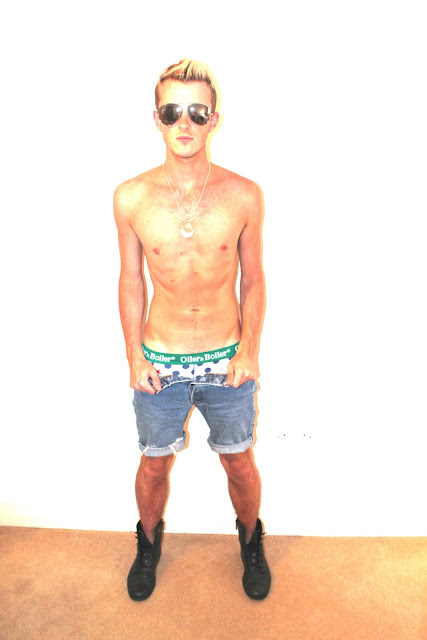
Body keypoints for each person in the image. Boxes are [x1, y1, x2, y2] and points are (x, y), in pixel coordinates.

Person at [113, 58, 270, 601]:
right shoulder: (131, 196)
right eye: (172, 111)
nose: (184, 122)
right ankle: (147, 542)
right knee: (154, 466)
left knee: (239, 462)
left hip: (229, 360)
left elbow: (254, 280)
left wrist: (249, 349)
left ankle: (251, 540)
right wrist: (134, 356)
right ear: (156, 118)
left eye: (197, 112)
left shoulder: (244, 194)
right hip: (160, 360)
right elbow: (130, 280)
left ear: (214, 120)